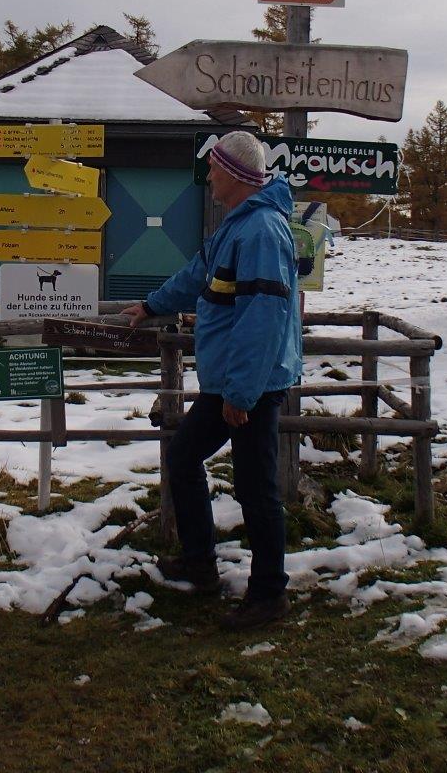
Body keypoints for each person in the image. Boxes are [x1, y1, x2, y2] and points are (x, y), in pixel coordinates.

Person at [123, 130, 302, 630]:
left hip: (251, 386)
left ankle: (269, 595)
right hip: (231, 380)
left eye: (216, 169)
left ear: (239, 175)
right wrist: (153, 305)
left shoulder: (262, 232)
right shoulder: (235, 228)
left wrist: (241, 394)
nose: (209, 176)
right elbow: (197, 276)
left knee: (254, 488)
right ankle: (200, 564)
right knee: (184, 458)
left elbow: (262, 318)